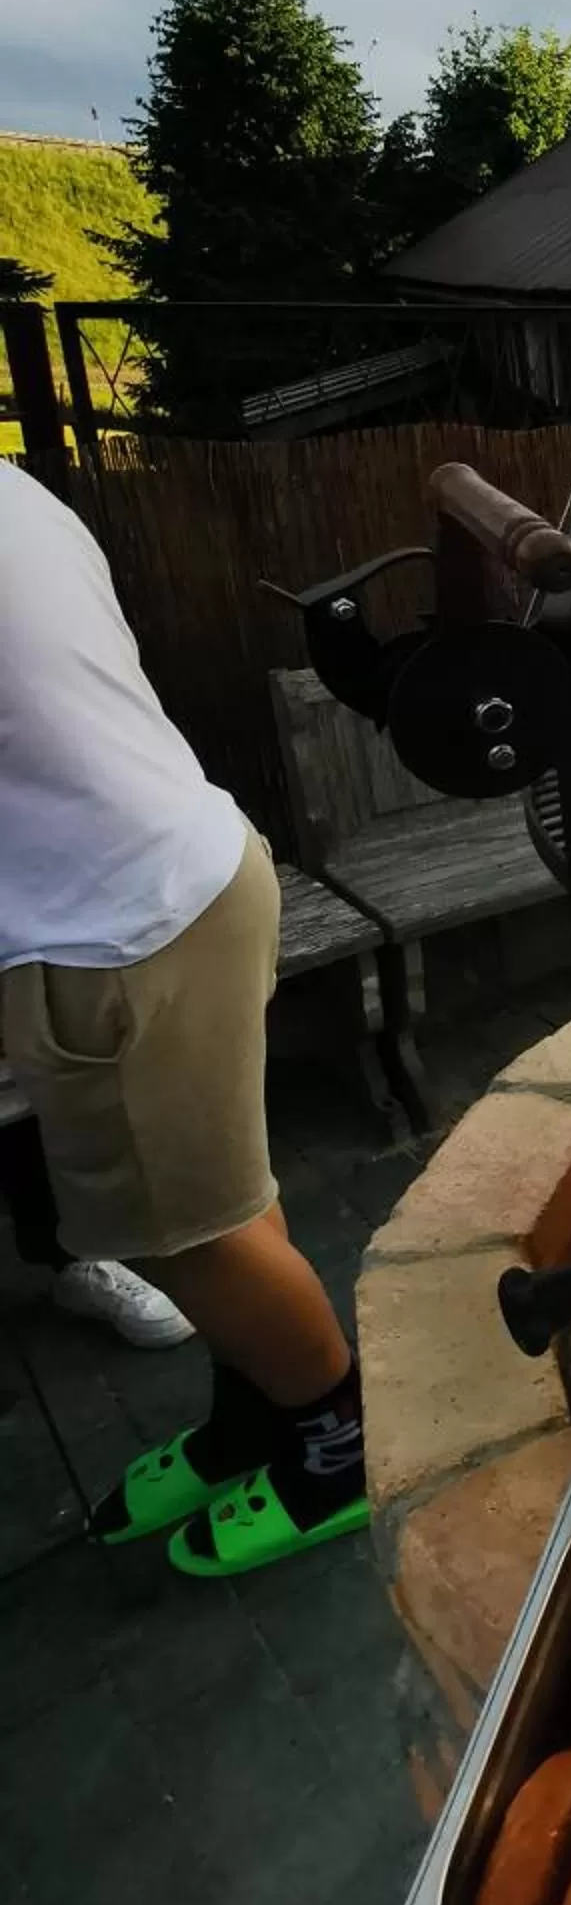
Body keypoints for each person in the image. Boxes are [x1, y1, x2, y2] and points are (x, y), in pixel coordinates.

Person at [0, 458, 366, 1574]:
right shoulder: (15, 488)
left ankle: (337, 1447)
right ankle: (255, 1418)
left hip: (107, 936)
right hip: (193, 875)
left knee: (188, 1240)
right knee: (225, 1207)